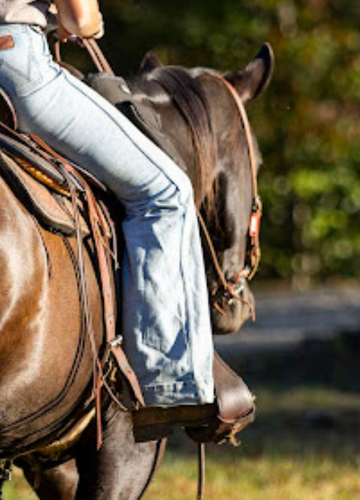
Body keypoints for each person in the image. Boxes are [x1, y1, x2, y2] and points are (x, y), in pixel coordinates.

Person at [0, 0, 217, 434]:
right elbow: (80, 16)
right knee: (166, 193)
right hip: (13, 63)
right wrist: (82, 23)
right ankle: (169, 382)